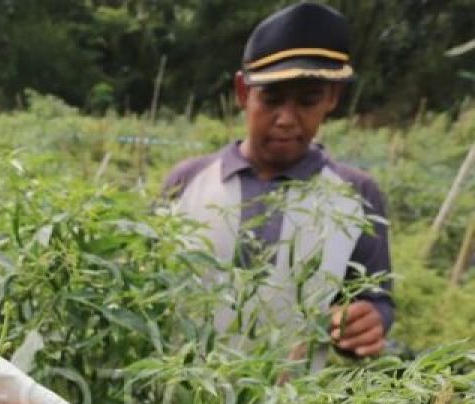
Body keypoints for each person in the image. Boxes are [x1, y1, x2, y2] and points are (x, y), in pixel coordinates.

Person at [163, 2, 393, 362]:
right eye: (271, 99)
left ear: (332, 97)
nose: (286, 119)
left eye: (307, 101)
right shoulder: (186, 183)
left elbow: (377, 298)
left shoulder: (357, 195)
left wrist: (369, 320)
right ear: (243, 92)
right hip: (179, 399)